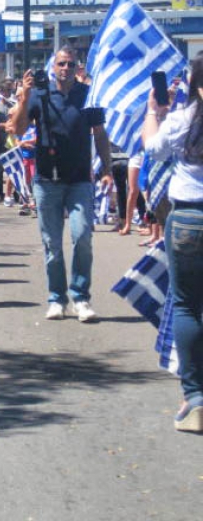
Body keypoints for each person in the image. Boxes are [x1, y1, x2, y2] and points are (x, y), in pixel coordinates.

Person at [12, 46, 112, 322]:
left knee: (82, 238)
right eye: (61, 64)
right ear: (52, 67)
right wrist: (24, 97)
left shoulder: (87, 96)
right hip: (47, 181)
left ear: (78, 68)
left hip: (80, 180)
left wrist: (107, 168)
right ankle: (57, 299)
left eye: (70, 64)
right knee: (52, 245)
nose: (65, 69)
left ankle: (81, 298)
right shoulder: (39, 96)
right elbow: (18, 130)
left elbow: (100, 134)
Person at [142, 51, 203, 433]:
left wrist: (153, 112)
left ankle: (195, 397)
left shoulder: (184, 120)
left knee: (186, 306)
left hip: (189, 220)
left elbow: (151, 149)